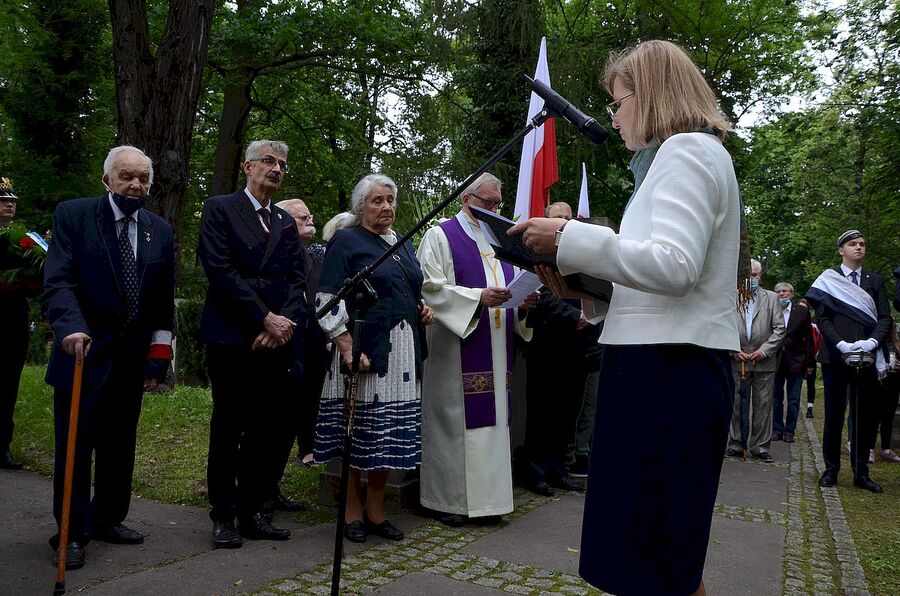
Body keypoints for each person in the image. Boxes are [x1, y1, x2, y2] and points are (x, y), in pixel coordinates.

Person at [511, 40, 745, 596]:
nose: (614, 118)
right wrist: (583, 286)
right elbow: (661, 279)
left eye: (619, 102)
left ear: (651, 95)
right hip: (662, 363)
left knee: (656, 554)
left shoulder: (687, 152)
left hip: (668, 371)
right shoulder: (681, 156)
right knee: (656, 552)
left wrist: (569, 237)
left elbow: (675, 266)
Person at [43, 146, 176, 569]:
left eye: (143, 179)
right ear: (107, 179)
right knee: (75, 448)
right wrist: (70, 327)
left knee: (120, 445)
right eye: (126, 176)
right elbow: (59, 280)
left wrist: (157, 360)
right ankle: (71, 531)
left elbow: (162, 302)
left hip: (131, 361)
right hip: (82, 353)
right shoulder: (75, 216)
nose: (135, 185)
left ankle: (107, 518)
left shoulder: (159, 230)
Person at [312, 174, 434, 544]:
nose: (386, 207)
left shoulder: (403, 242)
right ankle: (352, 510)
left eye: (390, 200)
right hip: (364, 351)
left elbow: (407, 288)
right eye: (377, 201)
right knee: (358, 433)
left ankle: (377, 510)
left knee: (388, 436)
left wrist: (421, 308)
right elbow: (326, 298)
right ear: (361, 207)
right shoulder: (347, 240)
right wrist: (347, 346)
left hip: (403, 354)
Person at [198, 140, 307, 549]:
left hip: (275, 342)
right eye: (268, 161)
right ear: (247, 166)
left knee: (265, 430)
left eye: (282, 163)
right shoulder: (220, 208)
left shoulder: (284, 221)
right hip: (231, 337)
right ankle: (223, 515)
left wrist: (282, 323)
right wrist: (263, 317)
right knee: (229, 428)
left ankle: (252, 512)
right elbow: (220, 269)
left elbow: (298, 280)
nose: (276, 168)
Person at [417, 172, 533, 527]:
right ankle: (446, 501)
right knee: (454, 423)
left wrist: (524, 304)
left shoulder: (500, 239)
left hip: (497, 348)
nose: (495, 209)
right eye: (489, 202)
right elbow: (429, 289)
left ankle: (491, 502)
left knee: (494, 423)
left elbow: (511, 287)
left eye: (498, 203)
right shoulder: (441, 235)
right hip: (455, 348)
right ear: (467, 199)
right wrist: (477, 298)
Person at [806, 230, 891, 493]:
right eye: (852, 244)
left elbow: (884, 317)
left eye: (862, 244)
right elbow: (822, 318)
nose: (859, 247)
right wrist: (840, 344)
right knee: (834, 415)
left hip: (866, 356)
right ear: (841, 250)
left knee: (864, 416)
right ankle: (831, 469)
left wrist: (873, 342)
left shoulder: (875, 281)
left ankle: (861, 472)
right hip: (835, 356)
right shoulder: (828, 280)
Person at [523, 201, 589, 496]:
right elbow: (538, 295)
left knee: (567, 414)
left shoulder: (581, 256)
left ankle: (558, 470)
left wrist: (587, 316)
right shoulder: (536, 254)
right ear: (546, 220)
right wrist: (575, 317)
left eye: (568, 218)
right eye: (558, 217)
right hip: (546, 348)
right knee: (542, 413)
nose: (564, 221)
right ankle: (535, 473)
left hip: (576, 349)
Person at [275, 199, 329, 471]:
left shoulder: (314, 259)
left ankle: (306, 449)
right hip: (285, 341)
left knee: (309, 399)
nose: (310, 222)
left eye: (310, 217)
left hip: (314, 343)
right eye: (302, 218)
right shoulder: (274, 257)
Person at [725, 260, 785, 461]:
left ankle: (760, 446)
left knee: (763, 405)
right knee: (735, 404)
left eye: (754, 275)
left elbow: (779, 328)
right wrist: (734, 350)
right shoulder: (730, 297)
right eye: (746, 275)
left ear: (760, 276)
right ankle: (735, 443)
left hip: (764, 361)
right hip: (737, 359)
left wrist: (764, 351)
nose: (750, 279)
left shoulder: (772, 298)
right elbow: (723, 325)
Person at [0, 177, 40, 470]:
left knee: (8, 382)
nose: (9, 206)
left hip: (13, 315)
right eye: (3, 201)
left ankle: (2, 446)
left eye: (12, 201)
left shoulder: (25, 240)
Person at [771, 282, 814, 443]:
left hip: (796, 361)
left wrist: (810, 362)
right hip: (775, 360)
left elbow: (809, 337)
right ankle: (777, 429)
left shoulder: (801, 311)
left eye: (785, 291)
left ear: (792, 293)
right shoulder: (770, 309)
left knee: (794, 399)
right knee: (776, 398)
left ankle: (790, 431)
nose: (782, 294)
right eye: (778, 291)